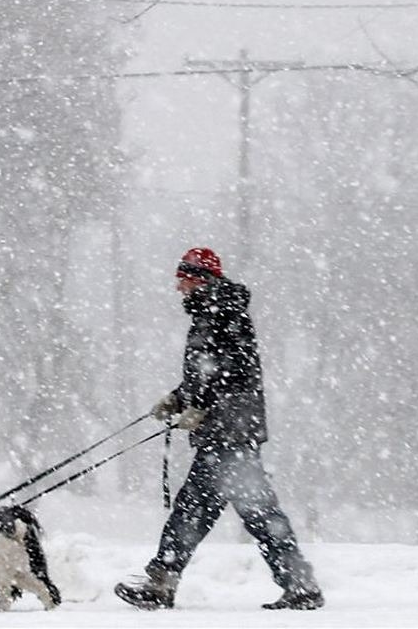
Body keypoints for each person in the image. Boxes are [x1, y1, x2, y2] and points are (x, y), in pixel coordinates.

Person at [114, 247, 323, 611]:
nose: (179, 288)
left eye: (183, 280)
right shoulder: (210, 313)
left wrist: (202, 407)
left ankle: (162, 582)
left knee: (209, 510)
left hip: (230, 432)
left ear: (200, 279)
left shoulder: (224, 312)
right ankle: (299, 584)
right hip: (226, 431)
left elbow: (234, 373)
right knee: (244, 511)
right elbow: (206, 376)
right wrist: (178, 399)